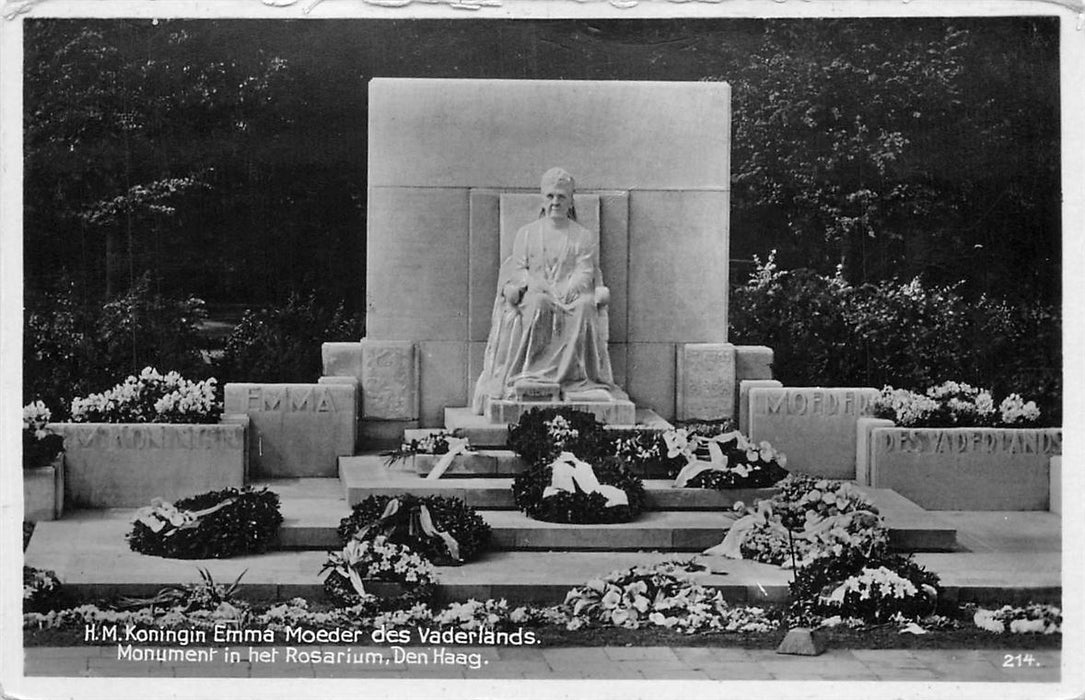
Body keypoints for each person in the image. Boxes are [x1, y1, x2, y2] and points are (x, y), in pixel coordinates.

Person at [472, 167, 627, 415]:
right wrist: (534, 284)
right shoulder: (527, 234)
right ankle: (532, 375)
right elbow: (518, 269)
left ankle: (575, 379)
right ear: (543, 199)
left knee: (585, 306)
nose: (555, 202)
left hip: (571, 298)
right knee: (539, 303)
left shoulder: (582, 237)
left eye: (561, 197)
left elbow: (585, 271)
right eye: (551, 196)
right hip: (537, 296)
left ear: (570, 200)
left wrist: (567, 290)